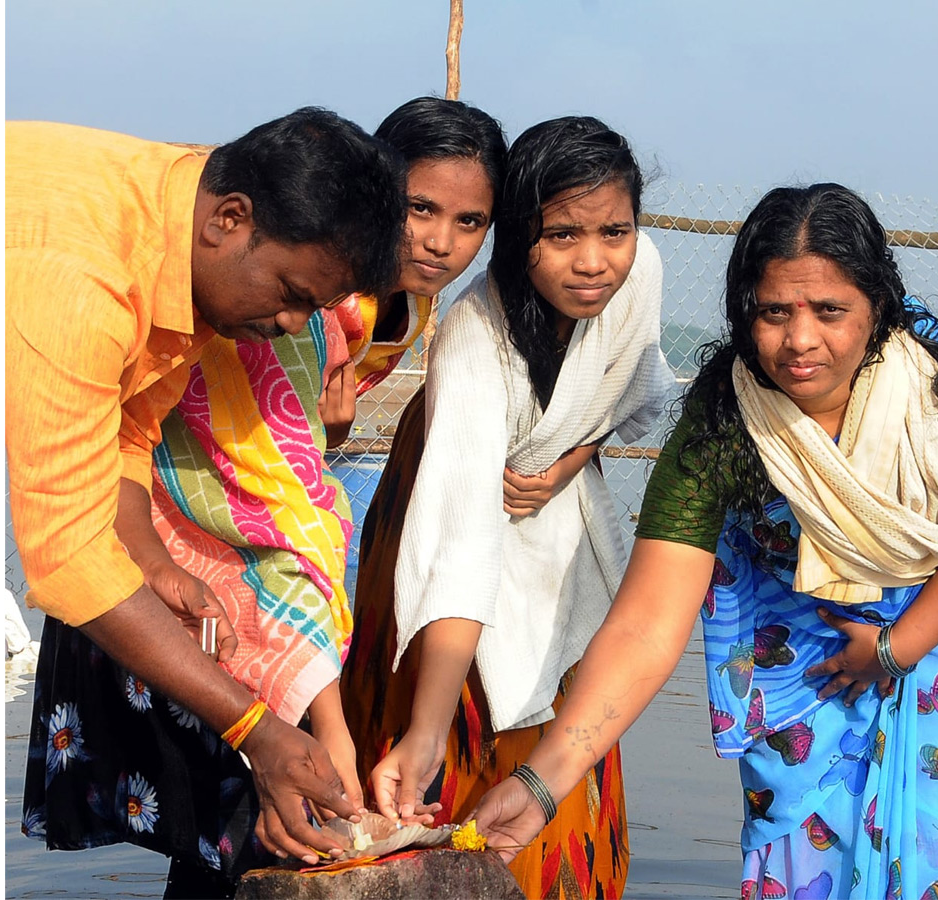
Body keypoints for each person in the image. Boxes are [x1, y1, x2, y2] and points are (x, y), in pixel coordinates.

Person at [24, 97, 508, 897]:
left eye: (469, 221)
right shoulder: (139, 286)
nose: (439, 240)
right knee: (247, 827)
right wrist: (290, 729)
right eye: (420, 208)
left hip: (195, 564)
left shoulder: (382, 299)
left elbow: (191, 436)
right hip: (197, 571)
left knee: (252, 826)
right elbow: (254, 487)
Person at [472, 183, 938, 900]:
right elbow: (648, 624)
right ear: (745, 314)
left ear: (878, 308)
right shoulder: (721, 429)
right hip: (810, 703)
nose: (800, 341)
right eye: (774, 313)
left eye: (830, 311)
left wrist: (897, 649)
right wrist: (542, 782)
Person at [341, 116, 676, 899]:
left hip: (560, 537)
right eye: (560, 235)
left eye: (613, 231)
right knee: (442, 761)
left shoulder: (642, 271)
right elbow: (457, 547)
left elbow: (628, 393)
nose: (593, 261)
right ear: (520, 235)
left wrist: (569, 458)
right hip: (439, 523)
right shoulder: (472, 339)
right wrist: (423, 734)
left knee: (565, 731)